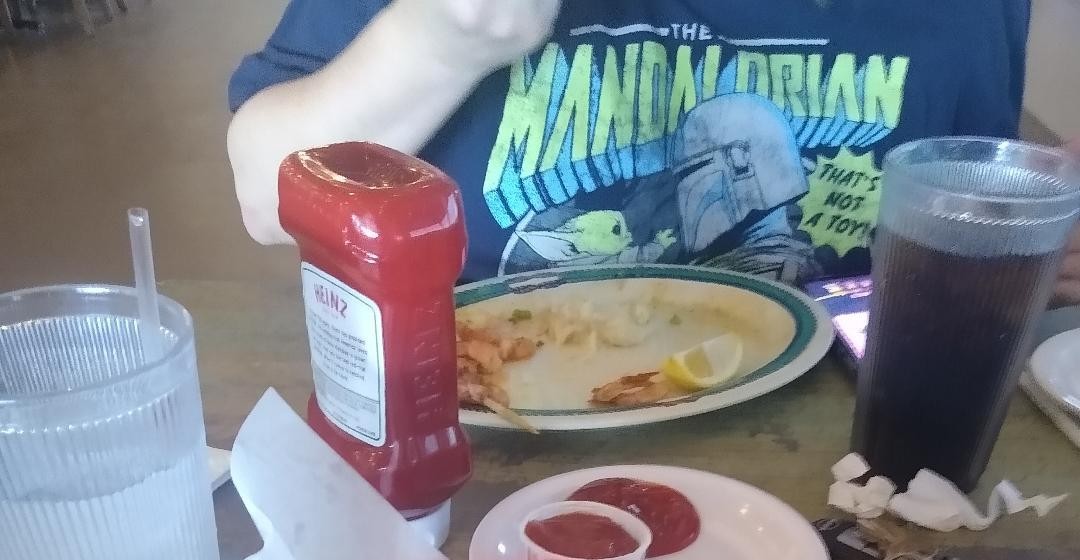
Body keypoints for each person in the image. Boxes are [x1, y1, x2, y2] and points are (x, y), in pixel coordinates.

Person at [228, 1, 1080, 299]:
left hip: (846, 468)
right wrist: (440, 43)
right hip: (484, 438)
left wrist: (1015, 246)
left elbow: (971, 205)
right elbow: (268, 200)